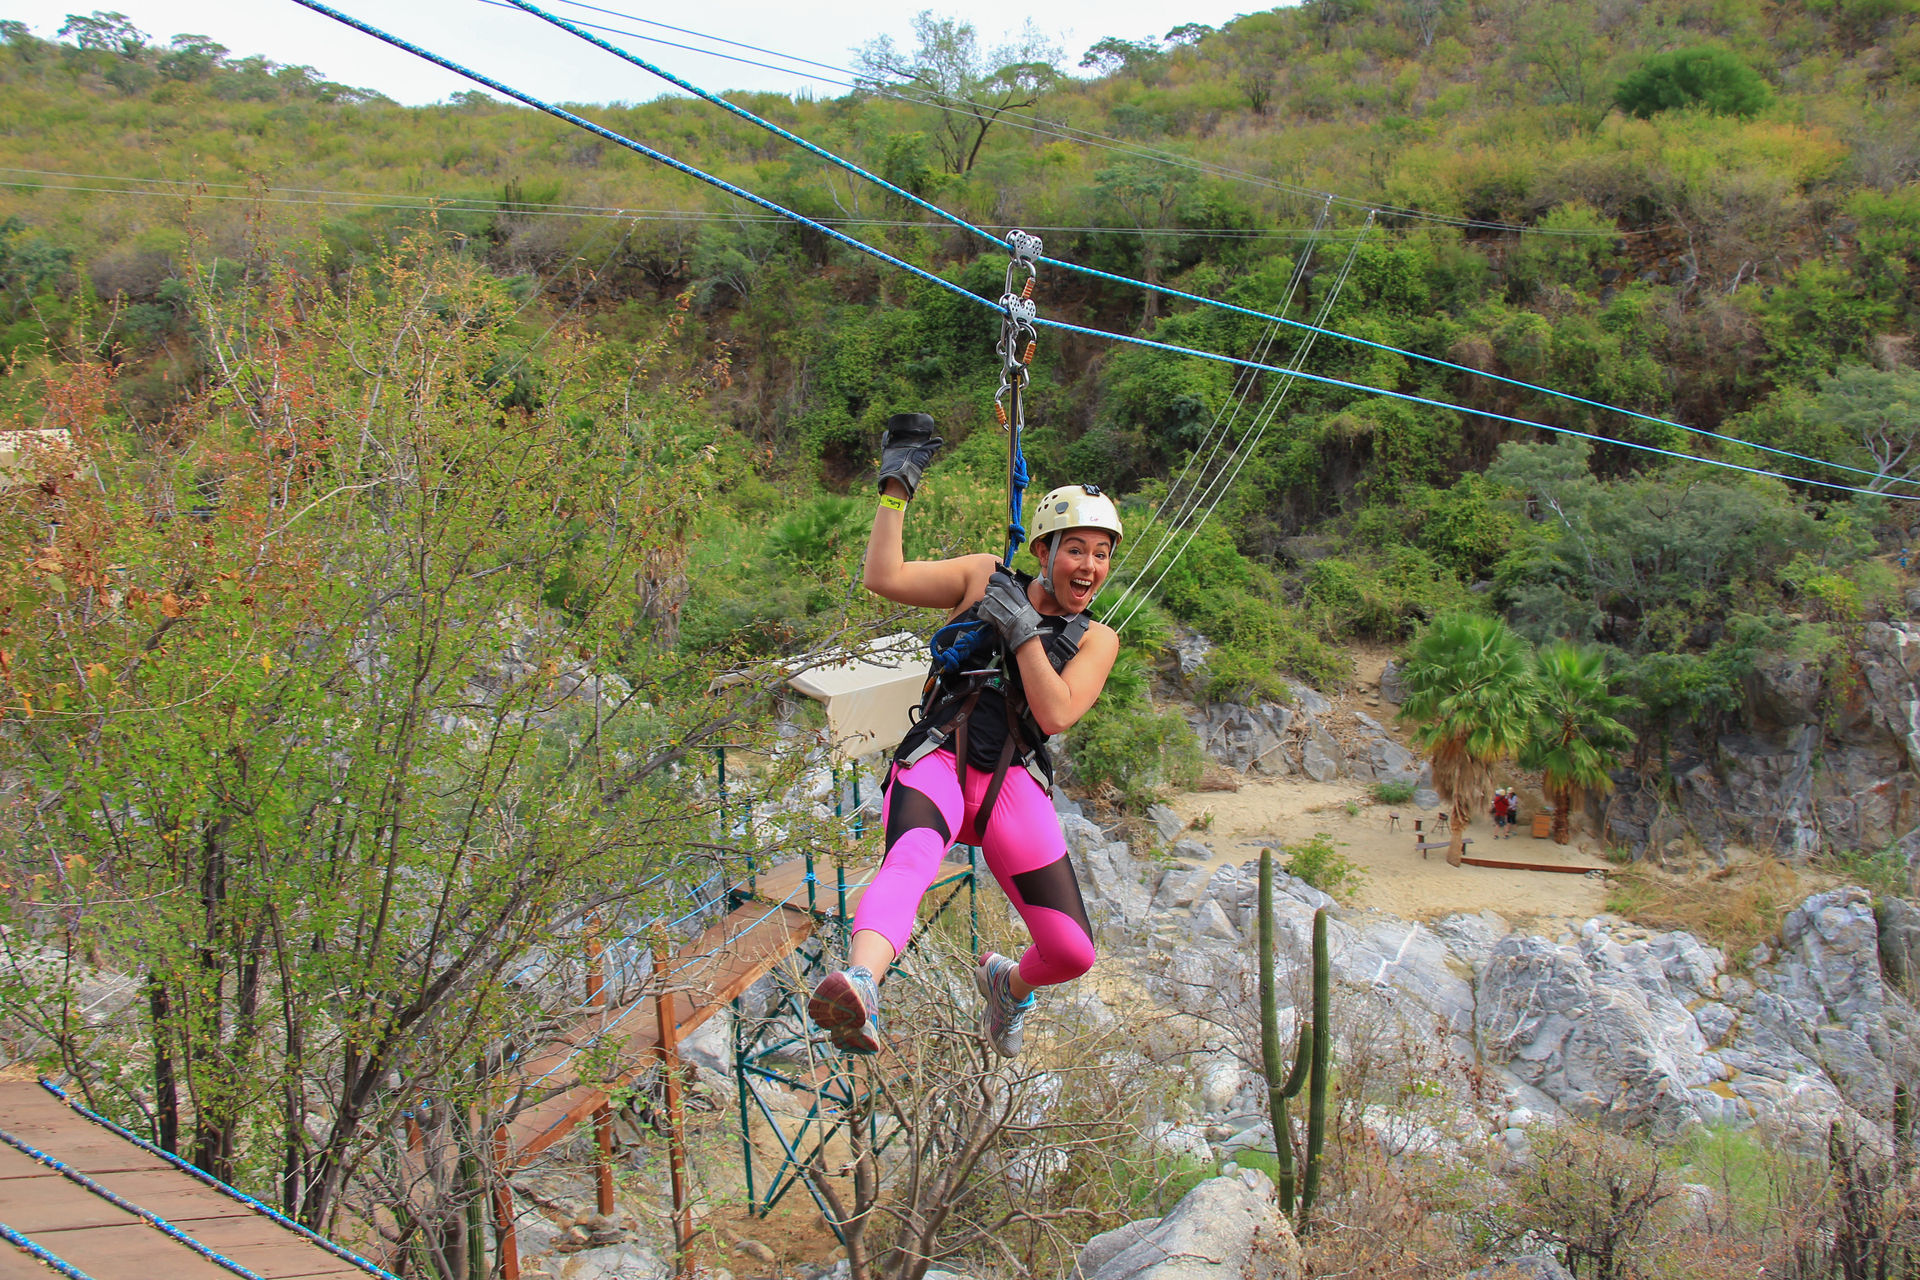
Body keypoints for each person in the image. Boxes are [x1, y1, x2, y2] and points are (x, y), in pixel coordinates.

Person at [807, 412, 1122, 1059]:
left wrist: (1024, 633)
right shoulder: (985, 577)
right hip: (940, 758)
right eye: (1075, 549)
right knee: (913, 858)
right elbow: (884, 577)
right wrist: (895, 491)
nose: (1089, 565)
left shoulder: (1096, 639)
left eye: (1101, 553)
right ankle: (862, 982)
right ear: (1043, 551)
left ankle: (1009, 985)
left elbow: (1057, 711)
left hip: (1012, 784)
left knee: (1070, 951)